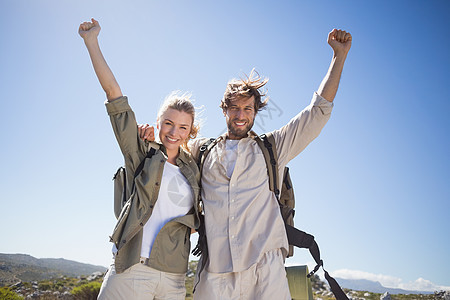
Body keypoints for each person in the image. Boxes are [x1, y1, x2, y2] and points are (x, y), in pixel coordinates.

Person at [140, 28, 352, 299]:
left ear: (255, 112)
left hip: (265, 272)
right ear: (224, 110)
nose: (241, 115)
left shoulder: (273, 147)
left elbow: (318, 112)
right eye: (235, 108)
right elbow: (171, 141)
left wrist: (338, 57)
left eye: (247, 109)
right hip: (215, 272)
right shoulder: (201, 150)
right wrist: (147, 137)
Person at [79, 18, 201, 300]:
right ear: (158, 123)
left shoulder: (193, 168)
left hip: (174, 278)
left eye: (183, 127)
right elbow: (114, 96)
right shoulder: (142, 153)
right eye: (168, 123)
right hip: (132, 270)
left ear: (190, 132)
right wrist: (92, 42)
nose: (174, 132)